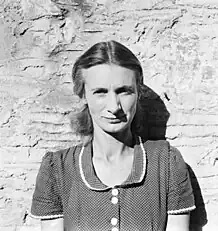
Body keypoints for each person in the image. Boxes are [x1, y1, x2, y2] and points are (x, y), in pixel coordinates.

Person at [30, 40, 196, 231]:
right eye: (100, 92)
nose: (114, 106)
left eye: (124, 91)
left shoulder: (166, 163)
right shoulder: (57, 169)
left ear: (138, 93)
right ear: (83, 94)